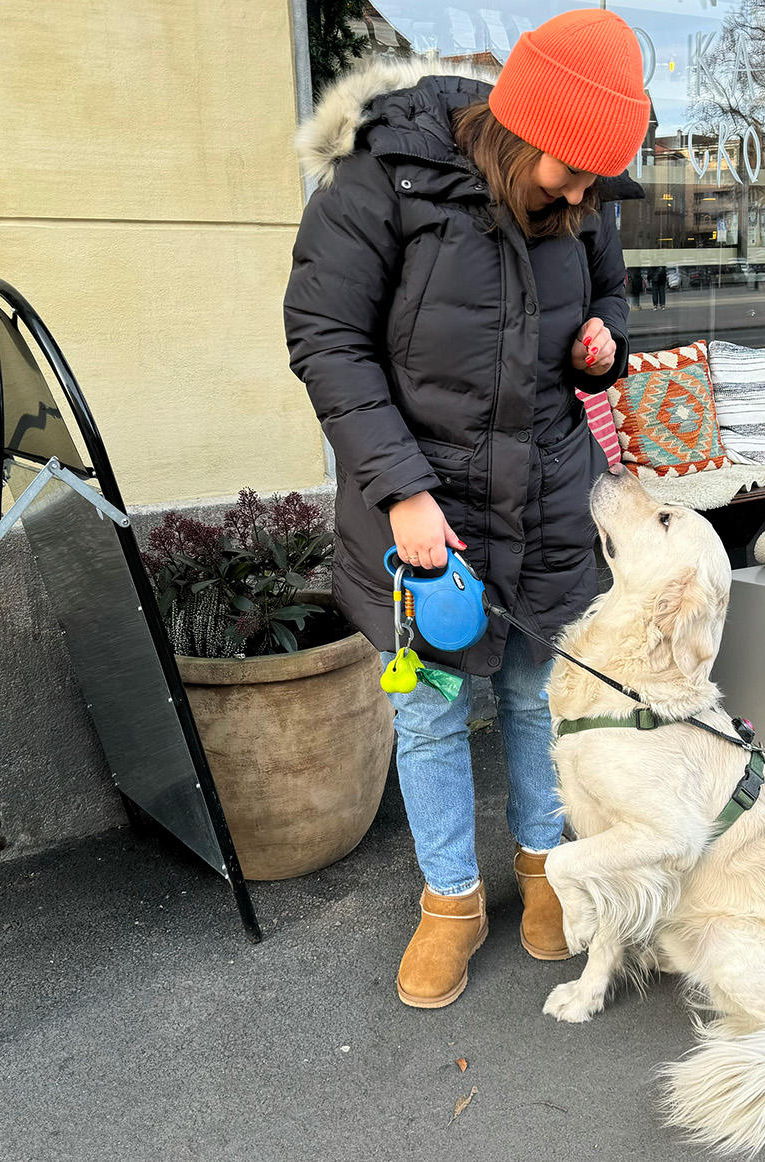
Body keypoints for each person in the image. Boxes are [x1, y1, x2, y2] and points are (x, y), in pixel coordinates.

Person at [284, 11, 649, 1009]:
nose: (584, 195)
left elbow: (613, 297)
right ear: (517, 123)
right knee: (433, 712)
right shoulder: (385, 177)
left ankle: (544, 872)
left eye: (596, 182)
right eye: (569, 170)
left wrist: (604, 346)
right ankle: (450, 901)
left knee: (537, 697)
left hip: (547, 499)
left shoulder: (585, 192)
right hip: (422, 510)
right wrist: (400, 490)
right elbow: (326, 337)